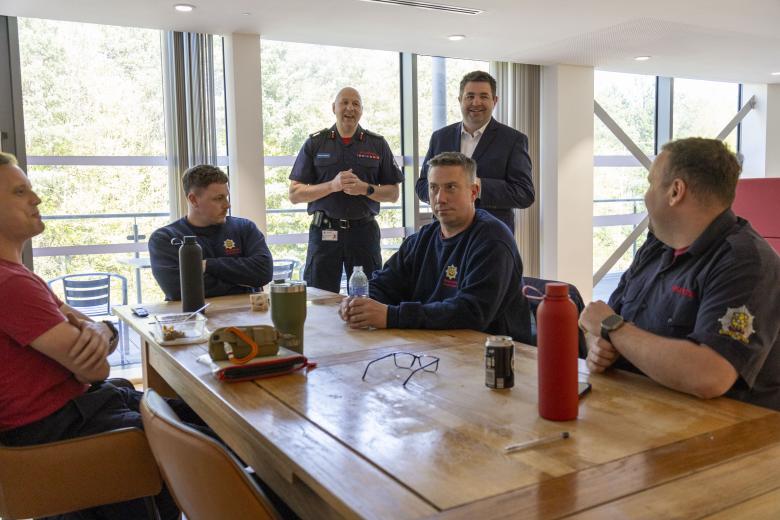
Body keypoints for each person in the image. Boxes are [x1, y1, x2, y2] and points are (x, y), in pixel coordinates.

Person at [0, 152, 204, 519]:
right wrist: (93, 339)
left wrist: (99, 328)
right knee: (207, 439)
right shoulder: (11, 285)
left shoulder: (22, 278)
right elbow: (96, 370)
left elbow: (96, 329)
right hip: (58, 427)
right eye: (19, 192)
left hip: (80, 410)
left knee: (196, 416)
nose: (36, 199)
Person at [579, 138, 780, 411]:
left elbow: (711, 375)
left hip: (719, 430)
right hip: (640, 412)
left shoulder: (747, 263)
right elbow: (605, 323)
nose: (646, 196)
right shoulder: (656, 247)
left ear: (675, 191)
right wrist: (599, 346)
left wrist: (615, 330)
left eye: (651, 184)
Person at [340, 152, 531, 343]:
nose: (440, 198)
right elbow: (385, 284)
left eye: (451, 187)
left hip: (490, 351)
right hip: (433, 345)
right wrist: (359, 304)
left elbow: (471, 312)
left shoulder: (493, 240)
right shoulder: (423, 238)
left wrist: (392, 316)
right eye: (434, 188)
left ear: (473, 192)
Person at [289, 87, 404, 293]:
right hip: (325, 232)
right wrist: (332, 186)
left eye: (356, 104)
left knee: (368, 296)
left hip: (363, 233)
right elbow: (295, 194)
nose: (350, 108)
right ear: (334, 107)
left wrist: (365, 189)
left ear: (362, 111)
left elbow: (394, 193)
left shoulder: (377, 144)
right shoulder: (316, 143)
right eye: (344, 102)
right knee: (320, 297)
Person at [415, 70, 535, 233]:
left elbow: (524, 193)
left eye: (483, 96)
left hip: (491, 236)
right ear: (460, 100)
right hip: (445, 234)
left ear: (494, 101)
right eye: (470, 96)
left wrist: (478, 186)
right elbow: (422, 185)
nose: (476, 102)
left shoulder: (513, 140)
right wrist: (443, 191)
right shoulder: (440, 137)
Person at [149, 164, 273, 300]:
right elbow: (179, 289)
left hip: (245, 312)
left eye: (226, 197)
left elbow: (264, 272)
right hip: (193, 313)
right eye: (218, 198)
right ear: (193, 200)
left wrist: (208, 265)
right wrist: (243, 284)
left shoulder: (244, 228)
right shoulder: (166, 238)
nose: (227, 205)